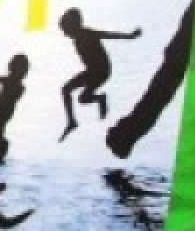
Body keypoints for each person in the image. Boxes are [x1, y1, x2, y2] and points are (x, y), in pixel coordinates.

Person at [56, 7, 141, 143]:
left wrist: (130, 36)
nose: (66, 34)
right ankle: (95, 103)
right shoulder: (77, 38)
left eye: (66, 31)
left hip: (101, 72)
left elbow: (110, 35)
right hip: (92, 71)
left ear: (74, 26)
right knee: (81, 98)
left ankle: (74, 120)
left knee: (68, 90)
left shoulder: (88, 33)